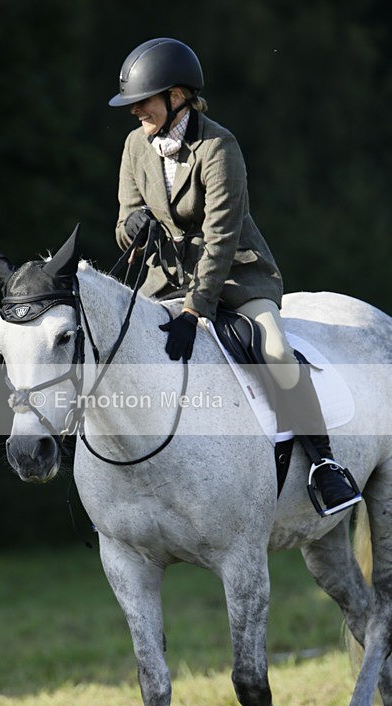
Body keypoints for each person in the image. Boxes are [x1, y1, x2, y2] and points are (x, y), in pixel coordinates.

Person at [108, 37, 360, 516]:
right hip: (163, 279)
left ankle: (325, 465)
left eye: (143, 101)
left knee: (275, 351)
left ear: (176, 97)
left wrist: (192, 311)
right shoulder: (135, 146)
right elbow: (125, 222)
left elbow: (221, 239)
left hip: (236, 276)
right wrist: (131, 228)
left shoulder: (218, 146)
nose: (136, 111)